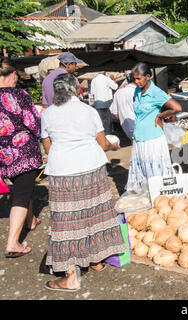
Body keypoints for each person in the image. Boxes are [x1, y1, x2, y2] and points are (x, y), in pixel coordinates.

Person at [41, 73, 125, 292]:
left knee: (67, 221)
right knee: (95, 214)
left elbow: (48, 147)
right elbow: (103, 143)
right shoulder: (89, 111)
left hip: (63, 173)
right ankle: (96, 260)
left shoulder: (47, 114)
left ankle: (71, 275)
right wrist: (113, 146)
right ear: (76, 90)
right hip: (92, 169)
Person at [0, 57, 43, 258]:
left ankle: (31, 220)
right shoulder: (19, 95)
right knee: (21, 195)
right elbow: (34, 123)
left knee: (22, 187)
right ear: (12, 75)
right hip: (23, 152)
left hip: (4, 155)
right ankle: (13, 243)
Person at [126, 62, 182, 193]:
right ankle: (147, 197)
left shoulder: (155, 92)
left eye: (139, 78)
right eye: (134, 79)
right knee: (143, 172)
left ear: (148, 76)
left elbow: (177, 108)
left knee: (155, 175)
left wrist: (161, 115)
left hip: (153, 139)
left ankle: (158, 198)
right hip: (139, 138)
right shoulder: (137, 90)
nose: (136, 81)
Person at [109, 72, 136, 140]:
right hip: (142, 127)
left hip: (127, 129)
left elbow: (114, 113)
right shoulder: (139, 91)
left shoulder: (118, 92)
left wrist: (123, 117)